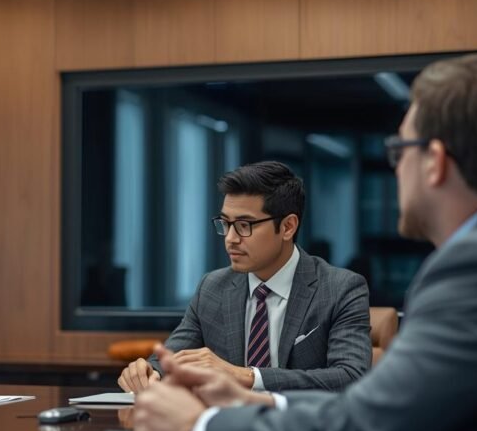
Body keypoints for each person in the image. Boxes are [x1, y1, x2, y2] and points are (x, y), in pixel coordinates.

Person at [134, 53, 477, 431]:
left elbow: (368, 428)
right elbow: (390, 412)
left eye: (397, 151)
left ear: (435, 162)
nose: (394, 171)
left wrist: (200, 429)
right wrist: (259, 405)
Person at [118, 162, 372, 394]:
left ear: (287, 227)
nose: (230, 238)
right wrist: (149, 373)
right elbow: (170, 360)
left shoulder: (341, 288)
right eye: (225, 224)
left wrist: (248, 376)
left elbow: (351, 376)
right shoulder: (212, 287)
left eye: (244, 225)